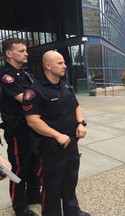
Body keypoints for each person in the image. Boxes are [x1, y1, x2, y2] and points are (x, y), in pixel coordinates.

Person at [22, 50, 90, 216]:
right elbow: (33, 121)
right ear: (48, 65)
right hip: (51, 148)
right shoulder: (35, 91)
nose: (65, 66)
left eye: (64, 63)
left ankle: (72, 211)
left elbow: (76, 106)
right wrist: (57, 135)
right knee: (51, 186)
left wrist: (81, 123)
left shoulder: (66, 86)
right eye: (60, 63)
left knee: (70, 181)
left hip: (71, 144)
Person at [0, 38, 40, 216]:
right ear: (9, 54)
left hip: (31, 126)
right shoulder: (5, 75)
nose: (26, 53)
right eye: (21, 51)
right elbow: (25, 98)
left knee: (33, 162)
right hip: (17, 128)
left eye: (26, 50)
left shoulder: (26, 73)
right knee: (19, 166)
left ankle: (33, 194)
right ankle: (20, 206)